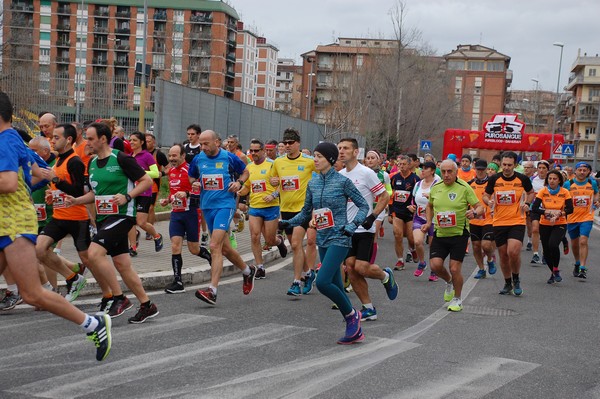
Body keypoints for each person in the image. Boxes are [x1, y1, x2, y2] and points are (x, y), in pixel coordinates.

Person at [0, 92, 111, 360]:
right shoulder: (13, 138)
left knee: (33, 293)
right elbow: (40, 170)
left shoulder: (4, 141)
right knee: (29, 292)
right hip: (9, 220)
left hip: (12, 222)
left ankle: (93, 324)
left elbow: (8, 183)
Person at [67, 122, 159, 323]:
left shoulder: (121, 158)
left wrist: (127, 196)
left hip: (122, 216)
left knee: (93, 253)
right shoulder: (91, 163)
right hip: (104, 218)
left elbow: (146, 181)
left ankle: (119, 298)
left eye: (91, 139)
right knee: (122, 265)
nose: (87, 143)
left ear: (103, 138)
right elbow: (94, 193)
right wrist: (76, 201)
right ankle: (147, 305)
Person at [280, 142, 369, 344]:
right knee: (336, 284)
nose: (315, 160)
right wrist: (287, 222)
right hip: (323, 237)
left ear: (329, 159)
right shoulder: (313, 183)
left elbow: (364, 206)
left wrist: (353, 225)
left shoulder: (342, 182)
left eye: (319, 156)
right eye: (315, 156)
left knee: (322, 282)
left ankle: (352, 315)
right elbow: (305, 213)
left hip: (340, 236)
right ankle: (353, 326)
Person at [189, 130, 256, 305]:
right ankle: (248, 271)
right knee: (225, 248)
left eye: (206, 144)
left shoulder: (229, 157)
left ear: (217, 142)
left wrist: (239, 183)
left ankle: (212, 290)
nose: (203, 147)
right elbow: (191, 176)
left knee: (214, 245)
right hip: (207, 206)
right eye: (201, 144)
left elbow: (246, 172)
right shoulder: (198, 159)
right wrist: (194, 182)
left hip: (225, 205)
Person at [338, 139, 397, 322]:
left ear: (356, 152)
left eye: (346, 148)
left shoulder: (366, 173)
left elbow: (384, 195)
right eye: (339, 148)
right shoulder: (339, 175)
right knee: (352, 269)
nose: (341, 151)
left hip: (365, 228)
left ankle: (385, 275)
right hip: (347, 230)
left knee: (361, 267)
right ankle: (368, 308)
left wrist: (372, 216)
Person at [35, 123, 89, 302]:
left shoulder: (75, 161)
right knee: (40, 249)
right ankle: (73, 278)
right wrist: (53, 193)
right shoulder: (59, 160)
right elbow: (61, 188)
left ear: (69, 140)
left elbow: (77, 191)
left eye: (57, 137)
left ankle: (112, 294)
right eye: (53, 137)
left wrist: (55, 180)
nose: (52, 140)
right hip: (59, 216)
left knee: (90, 260)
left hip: (77, 218)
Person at [421, 160, 483, 312]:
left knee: (455, 268)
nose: (446, 175)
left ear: (456, 172)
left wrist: (474, 212)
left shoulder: (464, 187)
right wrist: (429, 222)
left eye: (450, 172)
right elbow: (429, 206)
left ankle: (457, 298)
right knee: (435, 266)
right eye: (444, 172)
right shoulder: (435, 187)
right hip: (440, 234)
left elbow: (480, 207)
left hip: (459, 234)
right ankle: (449, 281)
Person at [271, 128, 317, 296]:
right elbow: (273, 180)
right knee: (295, 246)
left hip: (304, 209)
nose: (288, 145)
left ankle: (296, 282)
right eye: (285, 143)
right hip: (286, 209)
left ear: (298, 143)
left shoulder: (309, 161)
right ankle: (309, 273)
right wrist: (273, 181)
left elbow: (323, 176)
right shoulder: (278, 162)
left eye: (291, 143)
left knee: (297, 244)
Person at [161, 144, 212, 293]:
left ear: (183, 156)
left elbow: (200, 190)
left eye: (174, 156)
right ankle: (177, 281)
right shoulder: (171, 172)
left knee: (193, 249)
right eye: (170, 156)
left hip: (190, 213)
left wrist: (187, 194)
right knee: (175, 245)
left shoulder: (190, 170)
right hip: (176, 214)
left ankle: (211, 258)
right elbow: (173, 192)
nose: (171, 159)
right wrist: (167, 200)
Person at [483, 151, 534, 296]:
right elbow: (485, 196)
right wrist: (489, 201)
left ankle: (516, 279)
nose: (506, 168)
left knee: (513, 251)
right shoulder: (494, 179)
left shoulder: (522, 179)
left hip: (517, 220)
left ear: (515, 165)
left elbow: (531, 193)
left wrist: (527, 204)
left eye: (509, 165)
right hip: (499, 221)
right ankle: (507, 282)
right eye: (504, 164)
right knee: (503, 255)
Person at [237, 139, 288, 279]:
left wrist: (274, 195)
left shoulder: (273, 164)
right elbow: (247, 185)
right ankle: (260, 267)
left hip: (271, 207)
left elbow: (282, 183)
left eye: (256, 151)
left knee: (269, 240)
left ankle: (278, 241)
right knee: (254, 236)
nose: (253, 153)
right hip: (255, 206)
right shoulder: (249, 167)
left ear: (263, 151)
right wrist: (240, 191)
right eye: (251, 151)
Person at [531, 170, 573, 284]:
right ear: (547, 180)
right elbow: (534, 208)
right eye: (550, 179)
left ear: (559, 180)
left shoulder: (565, 192)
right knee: (546, 250)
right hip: (545, 223)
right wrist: (546, 212)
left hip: (560, 223)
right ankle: (553, 272)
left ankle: (556, 268)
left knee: (553, 244)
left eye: (554, 179)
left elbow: (570, 209)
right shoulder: (542, 191)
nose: (552, 181)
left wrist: (559, 213)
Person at [127, 131, 163, 256]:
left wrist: (140, 173)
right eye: (130, 140)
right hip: (131, 192)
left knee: (141, 222)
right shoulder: (129, 156)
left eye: (134, 140)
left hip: (144, 192)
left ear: (141, 142)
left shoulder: (147, 156)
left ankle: (157, 236)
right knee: (130, 221)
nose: (131, 142)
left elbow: (156, 173)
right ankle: (133, 247)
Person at [563, 162, 599, 278]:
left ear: (589, 172)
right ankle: (577, 262)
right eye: (580, 170)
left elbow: (596, 193)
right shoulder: (568, 184)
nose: (582, 172)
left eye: (585, 170)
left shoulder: (592, 183)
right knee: (574, 243)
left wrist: (596, 201)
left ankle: (583, 268)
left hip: (586, 217)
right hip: (572, 217)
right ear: (576, 171)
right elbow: (562, 197)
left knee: (583, 241)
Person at [409, 161, 440, 280]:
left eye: (426, 168)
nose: (422, 170)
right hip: (419, 217)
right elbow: (413, 200)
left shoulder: (438, 185)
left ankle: (434, 270)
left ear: (432, 171)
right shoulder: (418, 184)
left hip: (434, 220)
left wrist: (433, 198)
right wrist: (412, 207)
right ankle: (422, 263)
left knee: (433, 247)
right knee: (417, 242)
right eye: (422, 168)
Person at [468, 159, 497, 279]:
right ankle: (481, 269)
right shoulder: (470, 184)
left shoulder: (492, 184)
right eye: (477, 169)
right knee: (475, 246)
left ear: (486, 170)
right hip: (474, 219)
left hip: (489, 218)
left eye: (482, 170)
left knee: (485, 245)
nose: (479, 172)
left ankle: (490, 259)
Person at [389, 155, 419, 269]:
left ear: (409, 165)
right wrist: (390, 212)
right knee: (398, 235)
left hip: (410, 212)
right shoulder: (394, 178)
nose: (401, 166)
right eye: (399, 164)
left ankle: (412, 249)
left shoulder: (415, 179)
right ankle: (400, 261)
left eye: (404, 164)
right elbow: (390, 195)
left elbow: (418, 195)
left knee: (411, 238)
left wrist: (414, 206)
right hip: (397, 210)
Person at [184, 124, 209, 247]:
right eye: (188, 134)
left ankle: (204, 232)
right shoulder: (185, 147)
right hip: (188, 181)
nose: (190, 136)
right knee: (188, 207)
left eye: (192, 134)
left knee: (201, 209)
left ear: (199, 134)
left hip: (200, 181)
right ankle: (188, 231)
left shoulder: (202, 147)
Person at [364, 150, 392, 255]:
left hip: (378, 208)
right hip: (364, 207)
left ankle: (370, 261)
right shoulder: (362, 173)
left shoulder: (384, 175)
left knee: (373, 234)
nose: (370, 160)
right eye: (368, 158)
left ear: (378, 160)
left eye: (373, 158)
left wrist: (382, 194)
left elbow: (389, 191)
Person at [145, 132, 169, 240]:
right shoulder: (141, 153)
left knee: (150, 208)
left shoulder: (158, 155)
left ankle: (149, 231)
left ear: (154, 143)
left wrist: (162, 174)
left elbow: (169, 168)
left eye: (149, 141)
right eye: (145, 141)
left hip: (153, 185)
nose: (146, 143)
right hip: (139, 184)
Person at [529, 160, 550, 264]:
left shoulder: (551, 179)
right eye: (539, 168)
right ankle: (535, 253)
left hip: (548, 209)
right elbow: (527, 193)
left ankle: (545, 253)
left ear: (548, 169)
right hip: (535, 208)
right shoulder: (532, 179)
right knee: (535, 229)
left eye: (544, 168)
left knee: (545, 233)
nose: (541, 170)